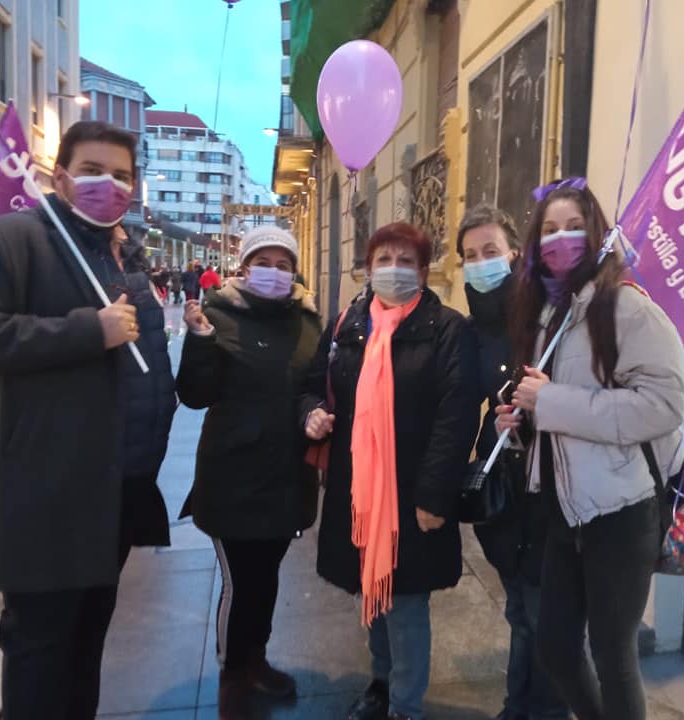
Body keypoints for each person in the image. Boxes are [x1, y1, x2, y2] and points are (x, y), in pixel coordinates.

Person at [0, 120, 176, 719]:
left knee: (87, 643)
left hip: (114, 493)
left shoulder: (121, 254)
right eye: (95, 171)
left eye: (122, 175)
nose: (110, 184)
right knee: (41, 653)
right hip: (45, 496)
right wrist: (85, 331)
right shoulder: (9, 240)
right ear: (62, 176)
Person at [496, 179, 684, 720]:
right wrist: (518, 424)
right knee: (556, 646)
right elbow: (550, 417)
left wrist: (551, 400)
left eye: (573, 228)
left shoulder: (625, 306)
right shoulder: (547, 316)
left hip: (621, 510)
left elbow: (664, 404)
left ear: (598, 235)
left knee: (612, 652)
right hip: (564, 511)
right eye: (550, 230)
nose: (561, 240)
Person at [302, 222, 479, 720]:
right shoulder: (345, 326)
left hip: (412, 491)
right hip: (356, 490)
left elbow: (457, 414)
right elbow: (314, 386)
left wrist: (433, 495)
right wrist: (310, 413)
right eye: (384, 259)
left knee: (405, 605)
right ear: (368, 267)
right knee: (372, 593)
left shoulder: (447, 329)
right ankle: (380, 683)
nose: (394, 270)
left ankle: (404, 706)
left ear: (424, 272)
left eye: (406, 261)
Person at [177, 226, 321, 719]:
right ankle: (232, 672)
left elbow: (315, 384)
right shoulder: (218, 314)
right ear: (244, 267)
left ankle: (256, 659)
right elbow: (196, 395)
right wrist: (198, 341)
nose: (275, 273)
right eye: (266, 262)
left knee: (268, 577)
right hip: (232, 478)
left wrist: (316, 412)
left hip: (286, 476)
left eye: (285, 265)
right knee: (241, 583)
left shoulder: (307, 322)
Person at [457, 205, 569, 720]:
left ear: (514, 254)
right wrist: (497, 424)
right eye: (470, 256)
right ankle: (515, 707)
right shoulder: (474, 327)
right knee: (521, 610)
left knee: (548, 615)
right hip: (507, 488)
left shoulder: (550, 314)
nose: (481, 263)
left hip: (555, 488)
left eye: (490, 251)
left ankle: (539, 710)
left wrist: (545, 404)